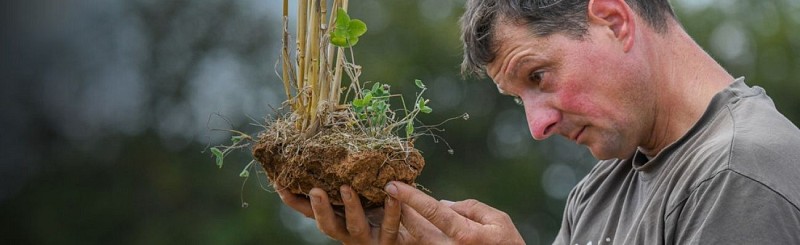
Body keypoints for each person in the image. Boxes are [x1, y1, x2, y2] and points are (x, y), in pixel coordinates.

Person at [278, 0, 800, 244]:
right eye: (517, 97)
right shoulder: (597, 193)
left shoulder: (737, 172)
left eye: (539, 75)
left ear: (614, 20)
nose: (537, 125)